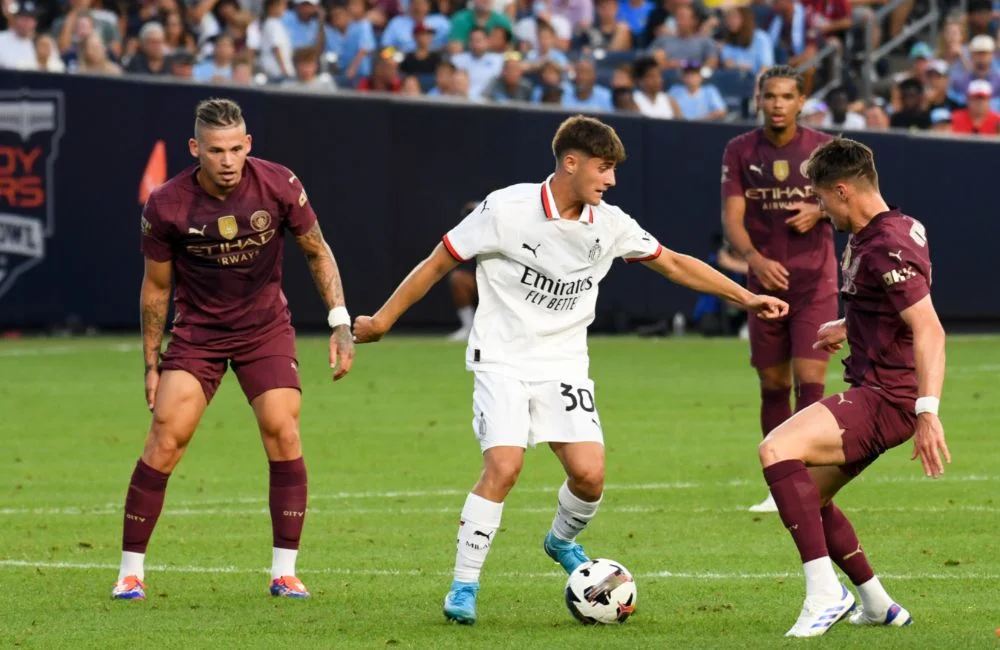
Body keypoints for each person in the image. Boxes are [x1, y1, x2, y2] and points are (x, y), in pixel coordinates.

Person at [352, 115, 789, 625]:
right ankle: (464, 585)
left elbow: (673, 263)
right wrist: (383, 320)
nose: (611, 180)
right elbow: (437, 262)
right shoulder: (506, 209)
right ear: (571, 163)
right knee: (504, 467)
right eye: (604, 169)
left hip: (564, 365)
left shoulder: (610, 223)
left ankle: (560, 542)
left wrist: (746, 296)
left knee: (589, 475)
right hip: (501, 359)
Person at [112, 98, 355, 601]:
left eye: (236, 149)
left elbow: (317, 249)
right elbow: (156, 289)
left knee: (283, 430)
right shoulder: (166, 203)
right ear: (195, 148)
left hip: (264, 329)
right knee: (165, 438)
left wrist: (340, 322)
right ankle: (130, 572)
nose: (227, 161)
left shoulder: (279, 184)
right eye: (216, 150)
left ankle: (284, 572)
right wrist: (151, 364)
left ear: (248, 145)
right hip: (198, 333)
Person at [760, 136, 947, 637]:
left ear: (842, 191)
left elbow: (929, 326)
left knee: (777, 449)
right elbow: (896, 305)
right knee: (806, 499)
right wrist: (851, 324)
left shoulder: (886, 243)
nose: (820, 209)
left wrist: (928, 411)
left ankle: (824, 593)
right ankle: (879, 604)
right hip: (882, 390)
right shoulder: (894, 228)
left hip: (887, 397)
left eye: (821, 198)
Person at [721, 66, 837, 513]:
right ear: (759, 99)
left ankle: (807, 483)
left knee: (811, 381)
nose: (777, 104)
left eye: (787, 96)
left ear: (801, 101)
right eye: (770, 96)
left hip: (814, 282)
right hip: (763, 283)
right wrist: (755, 259)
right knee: (772, 383)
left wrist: (819, 211)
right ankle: (779, 483)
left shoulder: (823, 148)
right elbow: (732, 219)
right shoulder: (740, 150)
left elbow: (852, 198)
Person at [446, 200, 482, 340]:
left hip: (510, 284)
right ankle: (468, 328)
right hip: (484, 282)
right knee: (458, 278)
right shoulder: (475, 234)